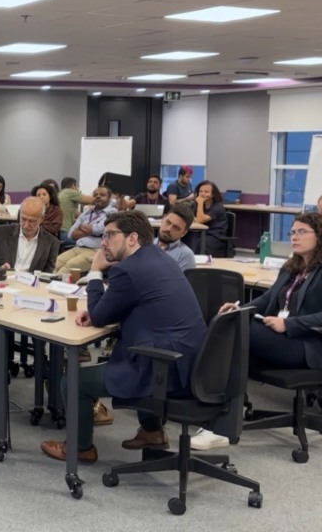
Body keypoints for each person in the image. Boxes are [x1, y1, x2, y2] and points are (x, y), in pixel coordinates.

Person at [40, 211, 207, 462]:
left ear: (132, 239)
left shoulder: (128, 270)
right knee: (131, 352)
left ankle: (80, 448)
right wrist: (104, 310)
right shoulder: (160, 258)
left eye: (109, 235)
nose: (103, 241)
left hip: (164, 366)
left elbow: (98, 316)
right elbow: (137, 305)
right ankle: (153, 432)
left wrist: (95, 270)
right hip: (190, 361)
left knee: (73, 380)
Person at [220, 212, 322, 372]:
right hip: (282, 337)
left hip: (310, 345)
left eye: (302, 232)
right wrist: (240, 310)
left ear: (321, 235)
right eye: (292, 232)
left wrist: (288, 324)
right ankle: (220, 391)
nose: (294, 237)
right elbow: (267, 299)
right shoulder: (291, 267)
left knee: (240, 328)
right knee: (230, 321)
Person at [0, 196, 59, 273]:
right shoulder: (1, 233)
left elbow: (47, 275)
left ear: (42, 219)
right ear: (19, 215)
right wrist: (0, 269)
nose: (26, 225)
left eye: (32, 221)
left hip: (30, 284)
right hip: (3, 282)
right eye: (23, 219)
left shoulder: (51, 243)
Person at [54, 186, 116, 275]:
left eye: (102, 195)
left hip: (94, 250)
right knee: (55, 264)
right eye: (95, 195)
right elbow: (71, 234)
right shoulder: (86, 213)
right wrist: (90, 230)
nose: (98, 196)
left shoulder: (112, 213)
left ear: (109, 198)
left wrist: (81, 227)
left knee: (66, 269)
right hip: (78, 247)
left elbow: (99, 229)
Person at [187, 180, 229, 257]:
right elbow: (190, 217)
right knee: (185, 238)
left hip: (215, 237)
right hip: (201, 234)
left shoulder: (218, 207)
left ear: (212, 194)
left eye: (206, 192)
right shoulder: (196, 205)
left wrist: (200, 203)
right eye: (201, 191)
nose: (203, 194)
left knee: (197, 243)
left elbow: (200, 220)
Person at [156, 202, 197, 272]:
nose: (168, 229)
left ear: (183, 233)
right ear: (163, 219)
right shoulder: (146, 244)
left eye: (176, 228)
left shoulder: (185, 255)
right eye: (168, 222)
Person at [57, 177, 94, 243]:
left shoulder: (60, 194)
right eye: (77, 187)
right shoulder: (70, 192)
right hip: (65, 234)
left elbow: (79, 215)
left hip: (59, 234)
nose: (77, 189)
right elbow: (93, 200)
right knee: (92, 241)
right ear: (73, 186)